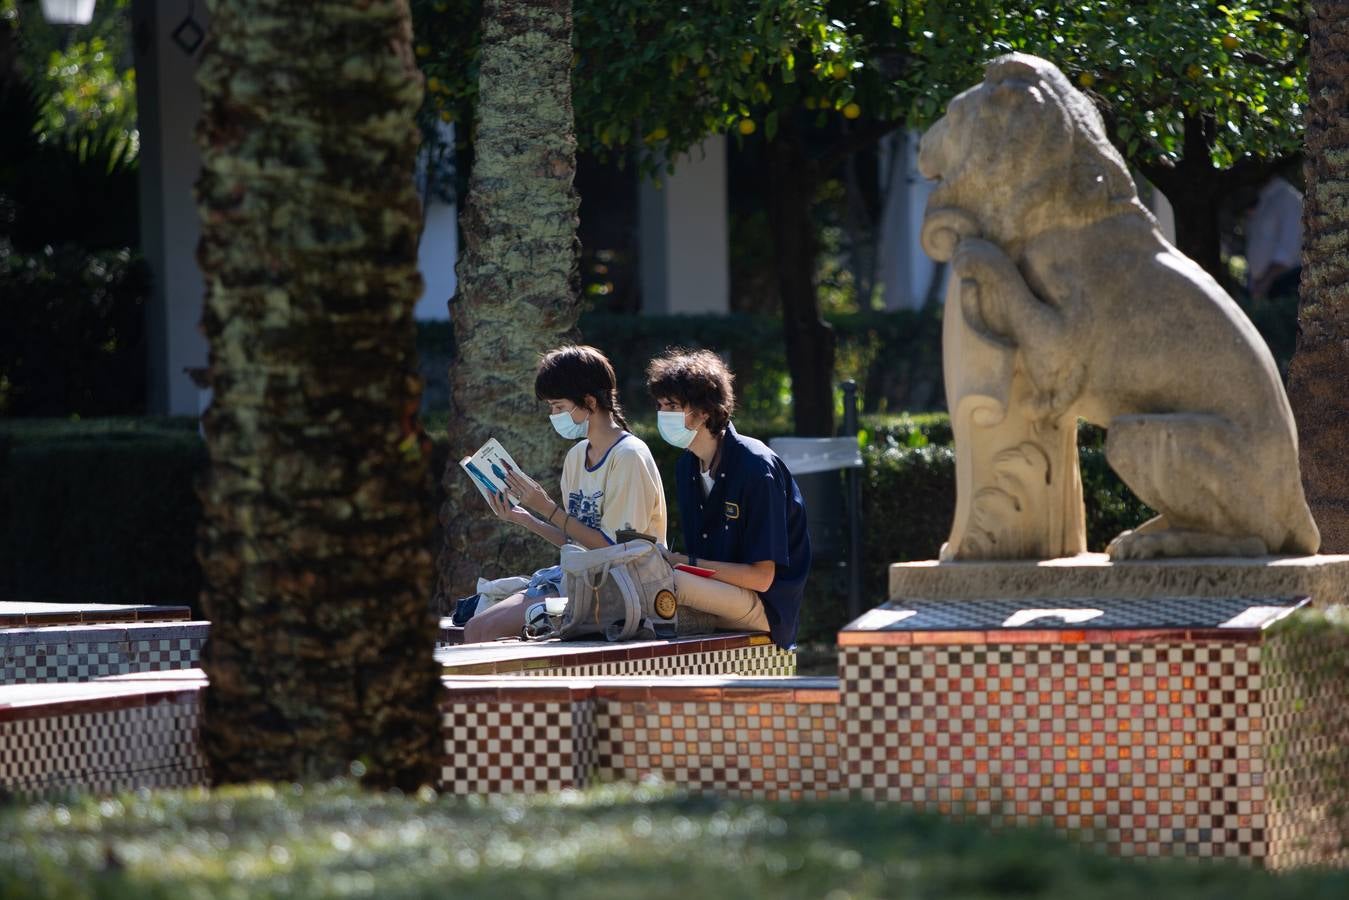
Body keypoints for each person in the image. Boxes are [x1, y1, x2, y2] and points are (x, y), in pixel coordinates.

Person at [463, 346, 667, 643]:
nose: (553, 415)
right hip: (580, 581)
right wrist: (524, 518)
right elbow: (577, 545)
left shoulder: (628, 457)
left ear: (589, 402)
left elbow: (615, 552)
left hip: (620, 590)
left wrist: (547, 509)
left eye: (558, 407)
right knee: (475, 624)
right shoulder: (576, 456)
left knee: (482, 630)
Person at [645, 349, 811, 650]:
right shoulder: (687, 467)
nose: (662, 414)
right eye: (659, 405)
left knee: (664, 583)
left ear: (704, 411)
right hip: (717, 594)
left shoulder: (756, 468)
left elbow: (762, 578)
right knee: (643, 579)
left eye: (672, 405)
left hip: (766, 609)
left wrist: (685, 563)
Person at [1244, 174, 1303, 301]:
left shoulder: (1288, 198)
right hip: (1263, 287)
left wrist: (1266, 281)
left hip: (1287, 284)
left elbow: (1289, 248)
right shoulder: (1262, 199)